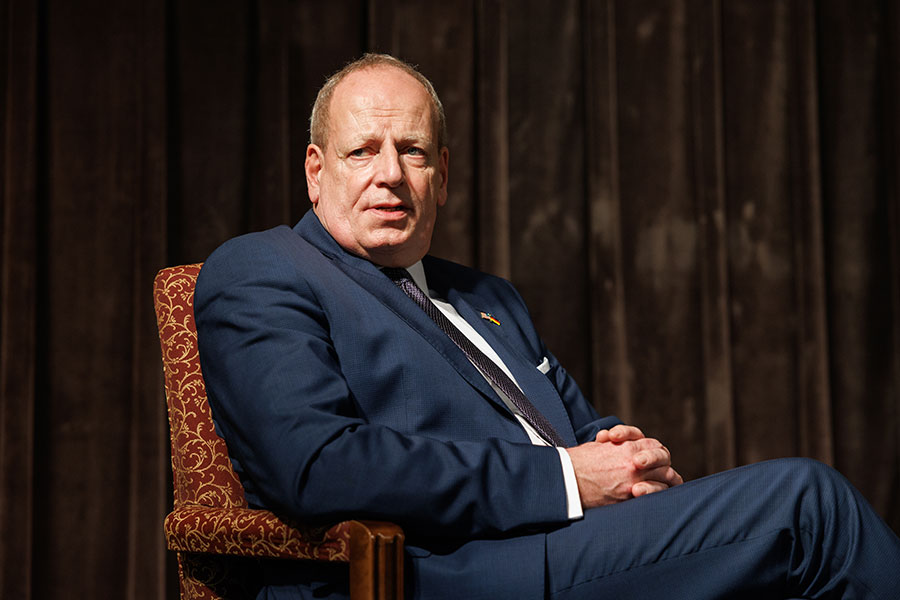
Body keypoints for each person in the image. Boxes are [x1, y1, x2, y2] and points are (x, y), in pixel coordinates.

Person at [195, 53, 900, 599]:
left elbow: (571, 426)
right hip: (442, 571)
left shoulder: (485, 296)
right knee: (809, 507)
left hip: (571, 542)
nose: (390, 175)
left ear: (442, 175)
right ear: (316, 172)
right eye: (362, 151)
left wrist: (617, 452)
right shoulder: (263, 268)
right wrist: (565, 477)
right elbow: (318, 466)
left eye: (412, 151)